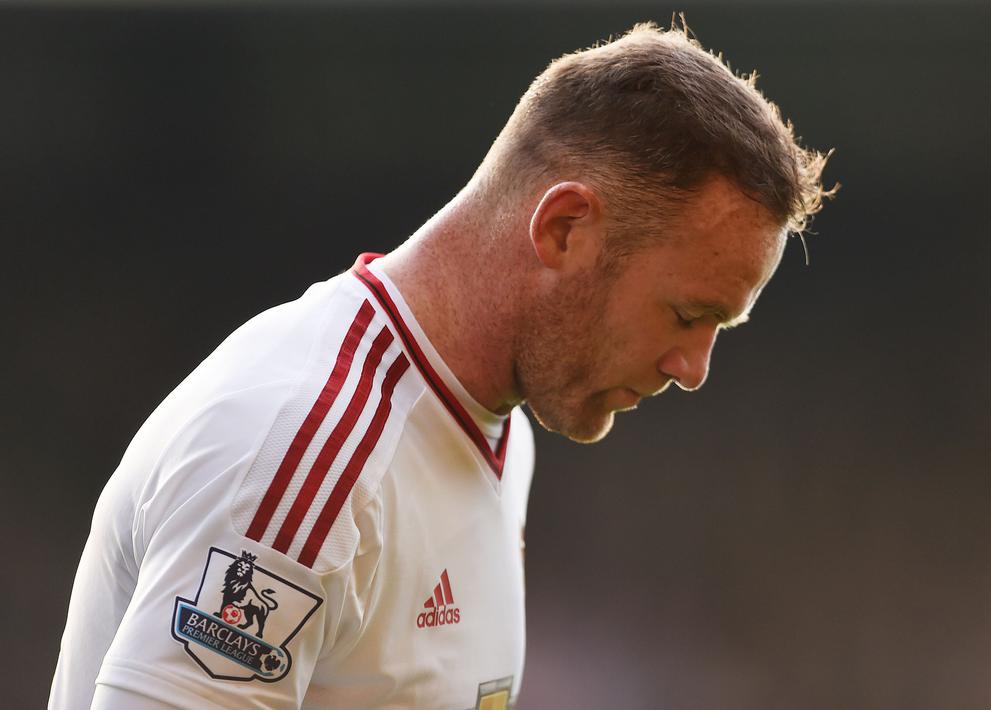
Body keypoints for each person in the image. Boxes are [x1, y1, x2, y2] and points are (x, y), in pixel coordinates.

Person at [49, 21, 835, 709]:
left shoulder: (498, 427)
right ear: (564, 228)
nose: (693, 368)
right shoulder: (302, 443)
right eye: (688, 314)